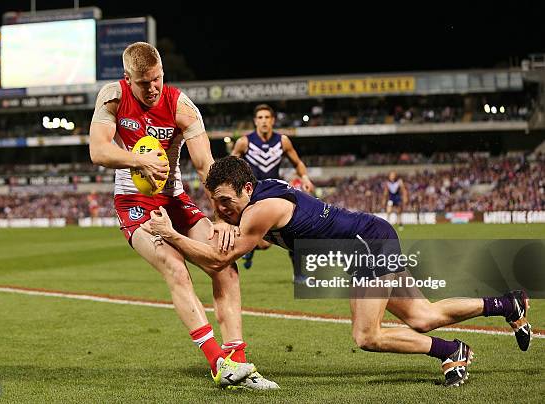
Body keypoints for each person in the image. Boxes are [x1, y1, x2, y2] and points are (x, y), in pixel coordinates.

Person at [146, 156, 532, 388]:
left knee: (366, 335)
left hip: (366, 244)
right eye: (216, 204)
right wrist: (231, 227)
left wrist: (171, 234)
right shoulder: (260, 198)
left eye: (226, 202)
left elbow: (217, 261)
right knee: (422, 315)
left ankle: (453, 350)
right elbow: (260, 240)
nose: (222, 210)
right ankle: (506, 304)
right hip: (372, 235)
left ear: (247, 189)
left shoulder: (260, 210)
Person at [89, 43, 277, 390]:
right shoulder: (112, 96)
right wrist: (138, 161)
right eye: (144, 83)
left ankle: (237, 360)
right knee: (175, 266)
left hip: (175, 200)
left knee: (224, 263)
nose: (153, 88)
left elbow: (206, 166)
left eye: (157, 79)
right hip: (133, 203)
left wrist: (222, 218)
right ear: (127, 78)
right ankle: (217, 364)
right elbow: (98, 149)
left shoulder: (181, 106)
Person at [231, 104, 314, 281]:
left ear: (273, 120)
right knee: (263, 243)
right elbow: (230, 166)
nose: (264, 121)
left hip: (276, 193)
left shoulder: (282, 141)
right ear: (255, 121)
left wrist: (305, 177)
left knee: (294, 230)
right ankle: (250, 249)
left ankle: (299, 274)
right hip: (252, 196)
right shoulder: (244, 142)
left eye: (267, 117)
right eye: (260, 118)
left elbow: (297, 162)